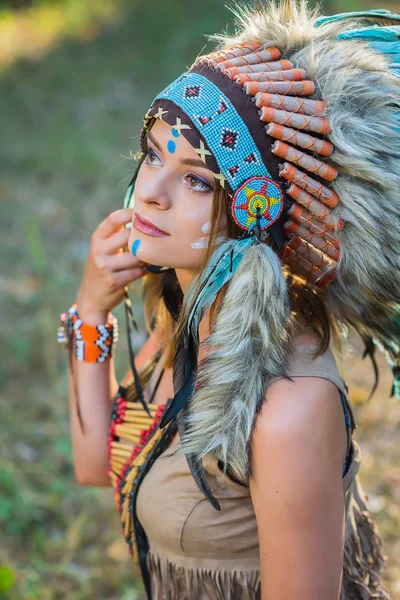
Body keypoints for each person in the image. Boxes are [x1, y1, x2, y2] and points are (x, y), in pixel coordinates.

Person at [59, 1, 400, 598]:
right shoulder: (185, 321)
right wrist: (91, 311)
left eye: (197, 179)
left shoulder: (291, 410)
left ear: (257, 213)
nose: (152, 192)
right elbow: (96, 463)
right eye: (153, 153)